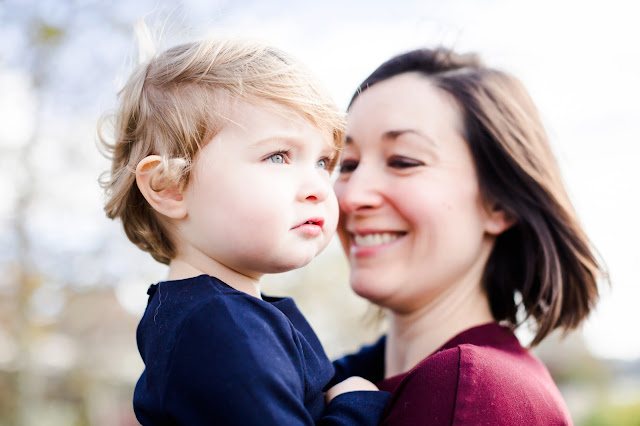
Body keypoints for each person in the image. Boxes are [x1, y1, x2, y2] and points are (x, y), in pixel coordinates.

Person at [99, 34, 390, 425]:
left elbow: (316, 379)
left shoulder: (223, 314)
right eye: (278, 156)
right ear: (168, 186)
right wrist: (358, 409)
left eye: (323, 162)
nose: (320, 188)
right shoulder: (219, 327)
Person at [331, 47, 604, 425]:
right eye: (346, 164)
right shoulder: (334, 378)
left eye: (403, 161)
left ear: (499, 204)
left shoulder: (472, 390)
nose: (352, 196)